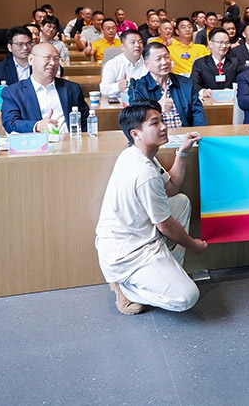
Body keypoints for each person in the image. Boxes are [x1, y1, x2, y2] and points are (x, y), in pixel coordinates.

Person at [95, 102, 206, 315]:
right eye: (155, 123)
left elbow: (172, 188)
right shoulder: (143, 172)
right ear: (135, 133)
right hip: (127, 254)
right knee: (187, 297)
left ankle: (172, 271)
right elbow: (165, 225)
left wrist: (182, 152)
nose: (164, 126)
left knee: (181, 202)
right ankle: (126, 289)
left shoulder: (135, 154)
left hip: (139, 235)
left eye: (162, 120)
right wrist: (193, 245)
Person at [1, 42, 88, 133]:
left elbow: (85, 120)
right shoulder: (13, 92)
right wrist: (37, 126)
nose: (52, 63)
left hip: (69, 140)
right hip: (35, 140)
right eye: (47, 57)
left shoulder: (72, 88)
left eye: (56, 59)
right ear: (31, 59)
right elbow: (10, 123)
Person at [129, 42, 207, 127]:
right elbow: (136, 118)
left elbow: (198, 115)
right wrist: (158, 107)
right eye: (158, 59)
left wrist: (197, 132)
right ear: (147, 64)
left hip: (185, 133)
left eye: (166, 57)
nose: (164, 62)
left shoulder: (186, 83)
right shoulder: (137, 87)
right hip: (154, 134)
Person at [191, 28, 245, 97]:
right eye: (220, 42)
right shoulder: (200, 63)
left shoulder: (234, 62)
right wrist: (203, 91)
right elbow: (193, 84)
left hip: (229, 100)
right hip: (208, 101)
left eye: (227, 43)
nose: (224, 46)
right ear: (210, 44)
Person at [100, 29, 147, 96]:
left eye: (140, 42)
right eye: (132, 42)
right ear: (122, 47)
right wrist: (118, 86)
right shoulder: (113, 64)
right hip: (120, 101)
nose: (137, 45)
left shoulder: (149, 63)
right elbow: (104, 89)